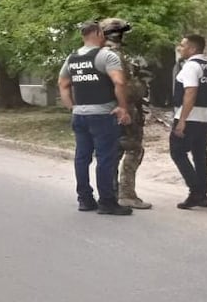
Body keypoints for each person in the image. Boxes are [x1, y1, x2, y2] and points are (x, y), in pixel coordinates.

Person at [58, 21, 132, 215]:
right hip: (103, 115)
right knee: (105, 158)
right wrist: (123, 107)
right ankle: (107, 202)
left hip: (80, 116)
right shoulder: (106, 56)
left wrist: (71, 107)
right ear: (99, 33)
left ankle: (85, 199)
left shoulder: (72, 58)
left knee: (82, 158)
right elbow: (119, 81)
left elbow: (63, 84)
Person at [100, 18, 153, 210]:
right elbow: (126, 87)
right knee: (133, 149)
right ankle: (127, 194)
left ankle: (110, 192)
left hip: (105, 110)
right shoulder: (117, 56)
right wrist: (142, 83)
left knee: (113, 151)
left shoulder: (96, 54)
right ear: (119, 34)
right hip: (125, 109)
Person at [170, 34, 207, 209]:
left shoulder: (191, 66)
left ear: (192, 48)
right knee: (200, 154)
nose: (180, 48)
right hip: (206, 118)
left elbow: (190, 92)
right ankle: (203, 194)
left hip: (190, 118)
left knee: (177, 152)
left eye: (183, 45)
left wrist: (182, 120)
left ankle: (196, 191)